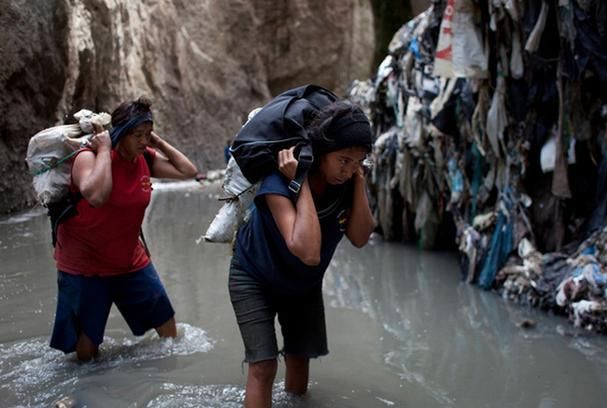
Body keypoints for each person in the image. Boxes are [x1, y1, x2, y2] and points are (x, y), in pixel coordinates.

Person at [228, 100, 376, 407]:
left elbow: (360, 237)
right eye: (343, 160)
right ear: (322, 152)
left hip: (302, 284)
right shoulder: (277, 180)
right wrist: (303, 180)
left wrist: (359, 181)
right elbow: (308, 250)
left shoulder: (348, 182)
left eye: (357, 162)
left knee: (299, 357)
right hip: (255, 277)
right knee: (264, 366)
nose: (347, 171)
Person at [49, 97, 198, 361]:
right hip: (86, 264)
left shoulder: (145, 158)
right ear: (119, 133)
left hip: (130, 260)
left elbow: (188, 171)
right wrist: (105, 150)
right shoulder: (87, 157)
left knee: (167, 325)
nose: (143, 141)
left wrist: (158, 142)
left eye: (147, 134)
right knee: (86, 350)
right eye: (137, 135)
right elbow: (96, 196)